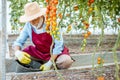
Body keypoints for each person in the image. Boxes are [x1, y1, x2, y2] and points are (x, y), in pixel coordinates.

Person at [13, 2, 74, 71]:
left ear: (40, 16)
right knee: (18, 57)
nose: (32, 22)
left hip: (55, 54)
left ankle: (50, 65)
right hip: (39, 53)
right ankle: (39, 65)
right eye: (30, 20)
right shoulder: (28, 25)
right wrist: (17, 52)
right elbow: (18, 42)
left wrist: (50, 62)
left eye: (34, 19)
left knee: (66, 61)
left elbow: (59, 45)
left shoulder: (51, 23)